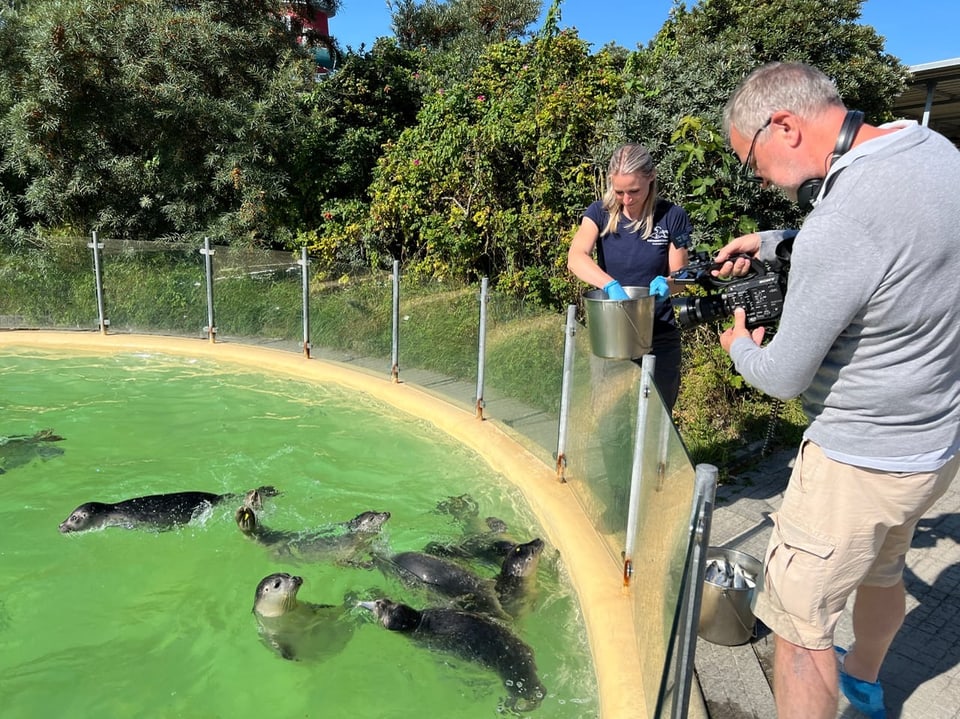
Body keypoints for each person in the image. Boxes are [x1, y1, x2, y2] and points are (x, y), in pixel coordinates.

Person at [717, 61, 960, 719]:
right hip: (932, 446)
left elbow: (783, 375)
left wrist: (736, 344)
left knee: (800, 634)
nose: (759, 177)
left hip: (856, 459)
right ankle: (868, 687)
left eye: (753, 160)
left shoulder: (842, 221)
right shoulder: (934, 152)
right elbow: (889, 244)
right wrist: (775, 242)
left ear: (786, 127)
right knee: (883, 575)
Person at [567, 143, 692, 411]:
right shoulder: (598, 213)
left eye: (634, 191)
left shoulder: (672, 217)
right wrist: (609, 285)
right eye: (619, 191)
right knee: (611, 425)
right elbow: (576, 257)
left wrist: (669, 285)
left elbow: (682, 277)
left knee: (659, 421)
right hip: (613, 335)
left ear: (651, 177)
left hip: (658, 333)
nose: (626, 199)